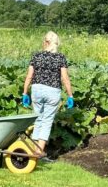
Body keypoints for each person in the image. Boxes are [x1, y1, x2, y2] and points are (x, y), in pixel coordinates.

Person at [22, 31, 74, 160]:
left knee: (38, 119)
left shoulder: (36, 56)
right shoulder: (60, 57)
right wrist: (70, 96)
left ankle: (35, 150)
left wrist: (24, 93)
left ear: (45, 42)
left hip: (37, 90)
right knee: (46, 121)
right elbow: (65, 78)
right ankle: (39, 151)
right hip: (53, 91)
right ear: (56, 43)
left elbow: (29, 76)